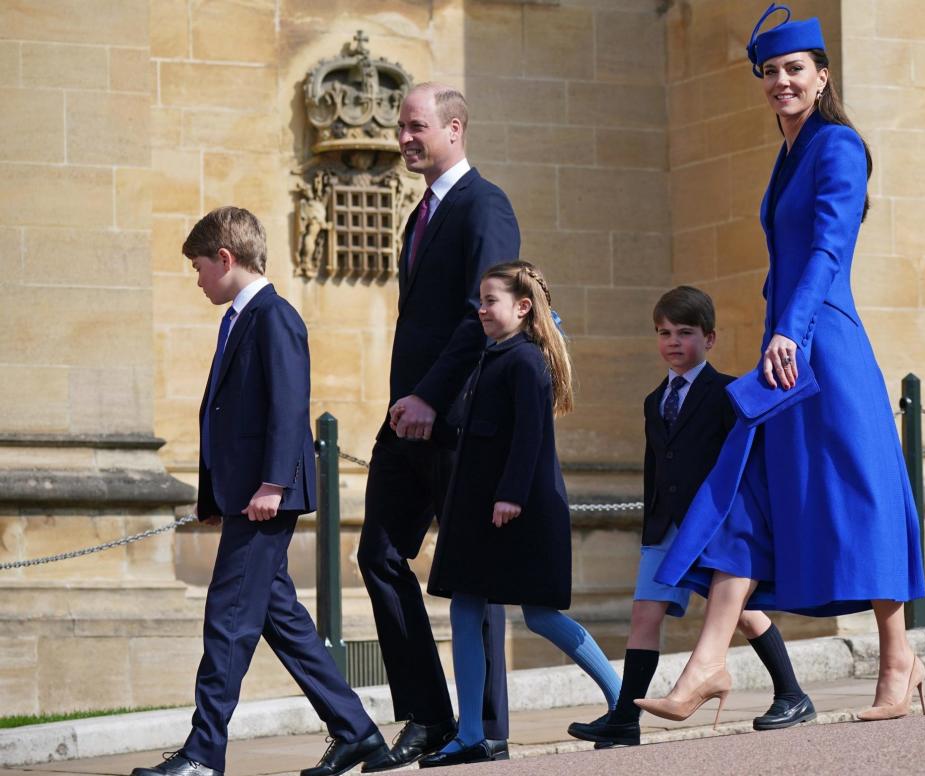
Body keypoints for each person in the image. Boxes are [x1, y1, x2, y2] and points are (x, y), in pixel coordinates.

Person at [637, 5, 925, 727]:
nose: (780, 82)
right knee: (742, 496)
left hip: (823, 347)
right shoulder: (787, 152)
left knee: (863, 499)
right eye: (769, 72)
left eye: (794, 69)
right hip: (789, 344)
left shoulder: (836, 147)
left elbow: (829, 252)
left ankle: (898, 662)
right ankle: (707, 665)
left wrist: (790, 333)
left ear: (821, 73)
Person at [130, 207, 389, 776]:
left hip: (264, 496)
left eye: (199, 267)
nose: (197, 280)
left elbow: (287, 405)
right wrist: (214, 498)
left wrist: (273, 482)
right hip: (246, 496)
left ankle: (203, 754)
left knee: (227, 619)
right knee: (282, 620)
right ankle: (359, 733)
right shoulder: (240, 319)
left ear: (225, 258)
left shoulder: (274, 316)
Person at [567, 286, 814, 748]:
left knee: (741, 613)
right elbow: (654, 469)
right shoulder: (652, 401)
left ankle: (792, 693)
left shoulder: (727, 394)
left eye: (685, 332)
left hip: (715, 523)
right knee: (645, 612)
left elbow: (743, 464)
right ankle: (625, 718)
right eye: (664, 333)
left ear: (710, 339)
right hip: (665, 525)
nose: (673, 341)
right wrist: (648, 531)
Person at [357, 83, 519, 770]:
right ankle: (426, 716)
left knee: (469, 570)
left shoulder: (485, 205)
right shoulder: (419, 215)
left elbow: (481, 314)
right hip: (410, 420)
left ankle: (483, 729)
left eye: (415, 127)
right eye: (401, 129)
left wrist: (429, 396)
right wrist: (406, 404)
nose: (403, 139)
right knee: (379, 555)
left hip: (458, 419)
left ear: (455, 128)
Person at [422, 261, 621, 767]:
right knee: (464, 610)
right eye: (481, 301)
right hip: (478, 511)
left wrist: (510, 495)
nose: (481, 309)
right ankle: (470, 733)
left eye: (490, 301)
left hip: (516, 510)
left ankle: (624, 703)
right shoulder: (495, 356)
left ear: (522, 306)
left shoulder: (526, 361)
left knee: (541, 615)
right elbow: (482, 432)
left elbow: (532, 435)